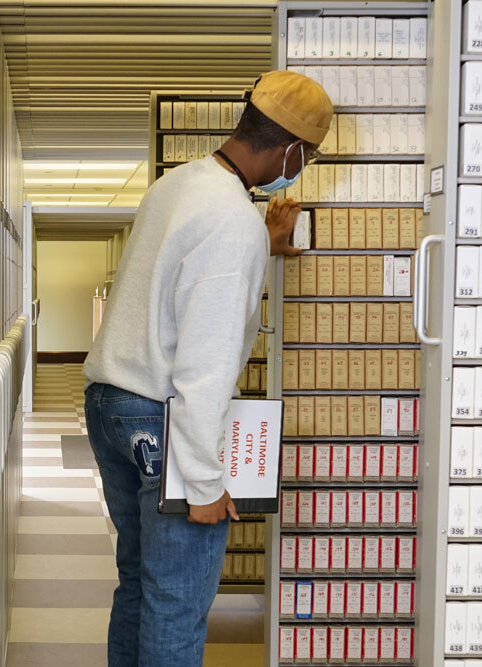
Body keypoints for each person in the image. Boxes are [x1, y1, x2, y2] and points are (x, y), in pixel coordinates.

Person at [82, 70, 333, 666]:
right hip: (160, 418)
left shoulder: (179, 185)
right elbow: (204, 363)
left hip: (110, 404)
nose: (302, 168)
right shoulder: (234, 225)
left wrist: (261, 243)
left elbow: (177, 278)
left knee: (140, 584)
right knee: (177, 603)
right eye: (309, 158)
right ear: (292, 150)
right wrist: (201, 482)